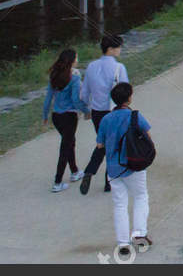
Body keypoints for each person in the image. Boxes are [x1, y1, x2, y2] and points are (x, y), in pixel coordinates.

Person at [93, 81, 151, 257]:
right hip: (133, 165)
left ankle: (123, 242)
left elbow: (100, 143)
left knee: (120, 204)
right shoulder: (135, 116)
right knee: (141, 196)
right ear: (129, 98)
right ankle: (140, 234)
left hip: (113, 168)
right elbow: (148, 136)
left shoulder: (106, 119)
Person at [77, 34, 127, 194]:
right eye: (118, 47)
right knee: (115, 145)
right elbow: (125, 91)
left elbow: (84, 93)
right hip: (114, 111)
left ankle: (90, 171)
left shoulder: (91, 66)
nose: (120, 50)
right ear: (111, 49)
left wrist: (87, 107)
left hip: (97, 112)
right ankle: (109, 181)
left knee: (103, 142)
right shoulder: (119, 68)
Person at [42, 47, 86, 192]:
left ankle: (74, 171)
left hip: (57, 116)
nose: (78, 60)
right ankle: (57, 182)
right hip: (69, 116)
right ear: (72, 61)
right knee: (66, 146)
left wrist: (44, 115)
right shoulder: (74, 77)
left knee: (69, 142)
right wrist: (86, 111)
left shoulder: (55, 75)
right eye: (76, 58)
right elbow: (76, 100)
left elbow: (48, 98)